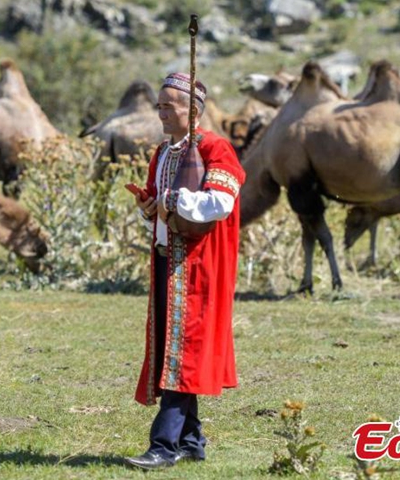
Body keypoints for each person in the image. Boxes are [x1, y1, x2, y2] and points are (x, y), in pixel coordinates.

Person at [124, 73, 246, 470]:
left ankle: (163, 445)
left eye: (167, 106)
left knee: (183, 352)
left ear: (192, 110)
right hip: (166, 259)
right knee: (175, 350)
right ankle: (191, 440)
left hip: (198, 267)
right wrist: (150, 207)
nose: (160, 113)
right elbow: (159, 206)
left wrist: (173, 199)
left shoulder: (216, 148)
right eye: (158, 105)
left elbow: (220, 202)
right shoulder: (161, 152)